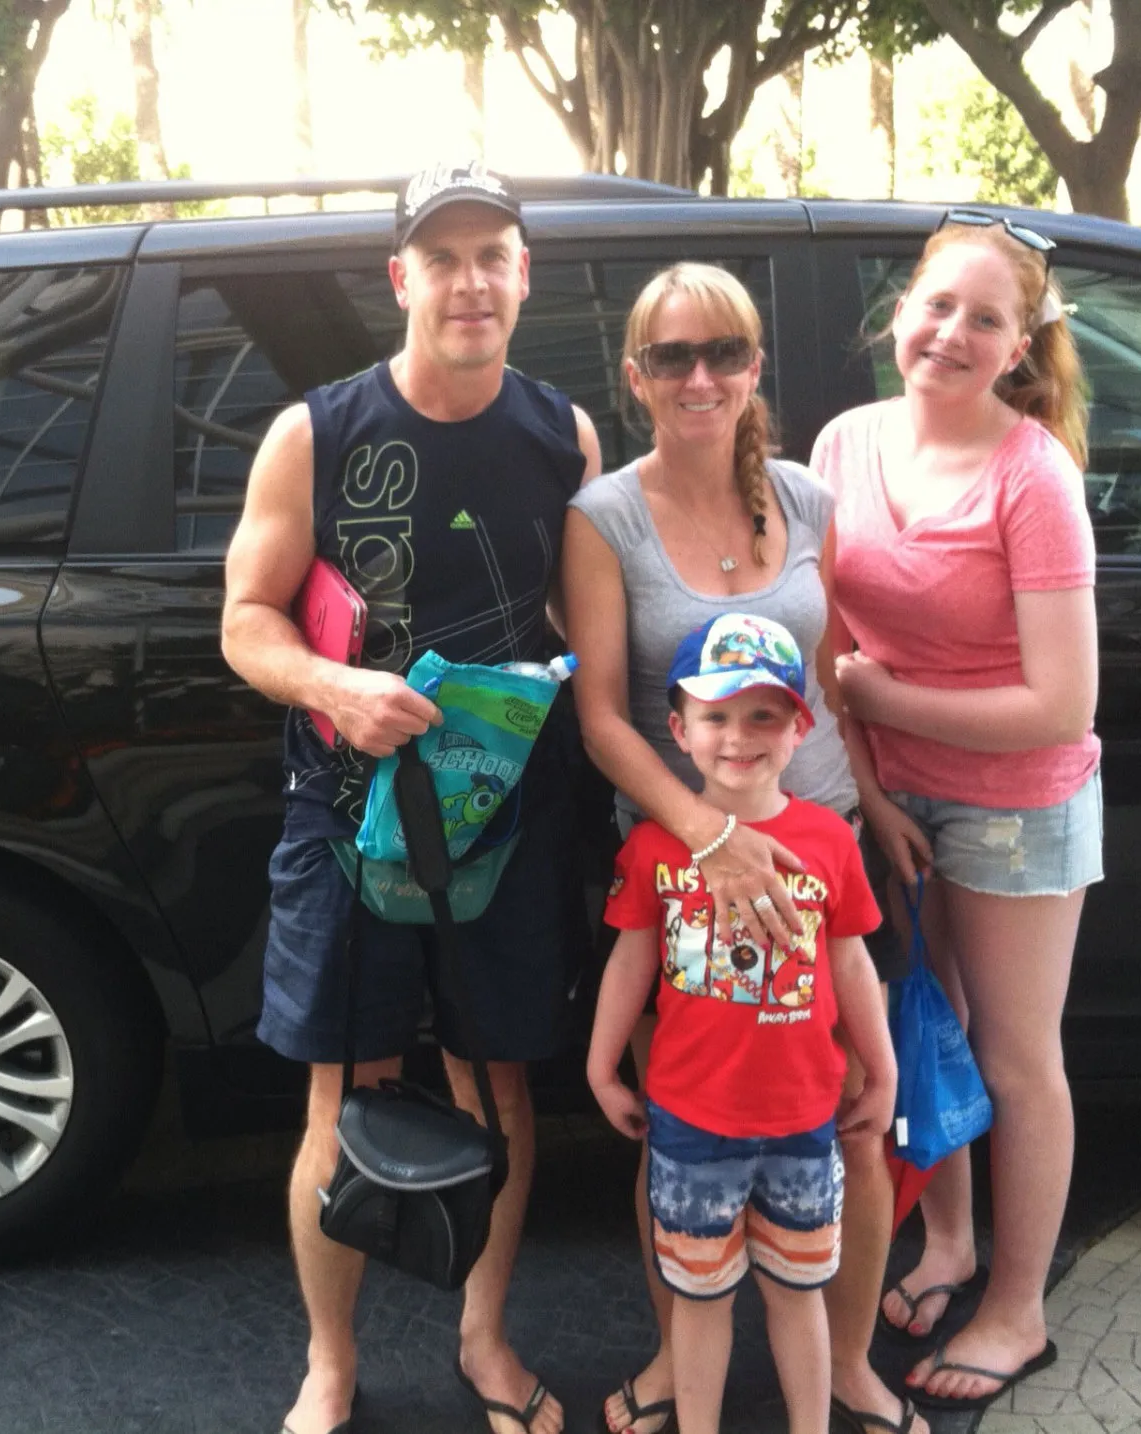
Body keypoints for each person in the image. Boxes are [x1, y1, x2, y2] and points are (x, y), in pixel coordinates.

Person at [220, 161, 601, 1434]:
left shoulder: (566, 433)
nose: (471, 281)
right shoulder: (316, 431)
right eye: (443, 259)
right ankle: (330, 1363)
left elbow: (589, 631)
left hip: (507, 822)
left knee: (499, 1087)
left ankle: (484, 1341)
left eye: (494, 255)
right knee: (346, 1091)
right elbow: (243, 619)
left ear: (524, 277)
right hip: (346, 815)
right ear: (403, 279)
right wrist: (335, 689)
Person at [564, 262, 923, 1434]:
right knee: (689, 1119)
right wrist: (711, 837)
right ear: (637, 378)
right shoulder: (605, 517)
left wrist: (870, 803)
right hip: (683, 858)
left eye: (723, 351)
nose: (700, 376)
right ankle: (683, 1357)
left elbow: (828, 682)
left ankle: (851, 1360)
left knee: (850, 1120)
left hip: (818, 855)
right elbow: (606, 716)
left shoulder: (805, 500)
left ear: (755, 364)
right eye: (672, 357)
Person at [810, 210, 1101, 1413]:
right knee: (934, 1024)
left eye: (987, 319)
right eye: (938, 306)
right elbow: (827, 637)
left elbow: (1059, 703)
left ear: (1023, 346)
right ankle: (951, 1243)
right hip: (899, 791)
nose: (953, 333)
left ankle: (1018, 1307)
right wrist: (873, 788)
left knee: (1015, 1057)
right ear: (899, 312)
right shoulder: (843, 442)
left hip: (1016, 805)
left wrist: (886, 696)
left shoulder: (1034, 475)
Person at [587, 613, 896, 1434]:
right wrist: (602, 1064)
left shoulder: (830, 840)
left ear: (800, 727)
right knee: (699, 1302)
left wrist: (884, 1065)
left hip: (805, 1120)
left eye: (764, 714)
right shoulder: (656, 846)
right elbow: (630, 960)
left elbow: (853, 962)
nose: (739, 736)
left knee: (799, 1296)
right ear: (678, 729)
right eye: (717, 715)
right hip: (691, 1123)